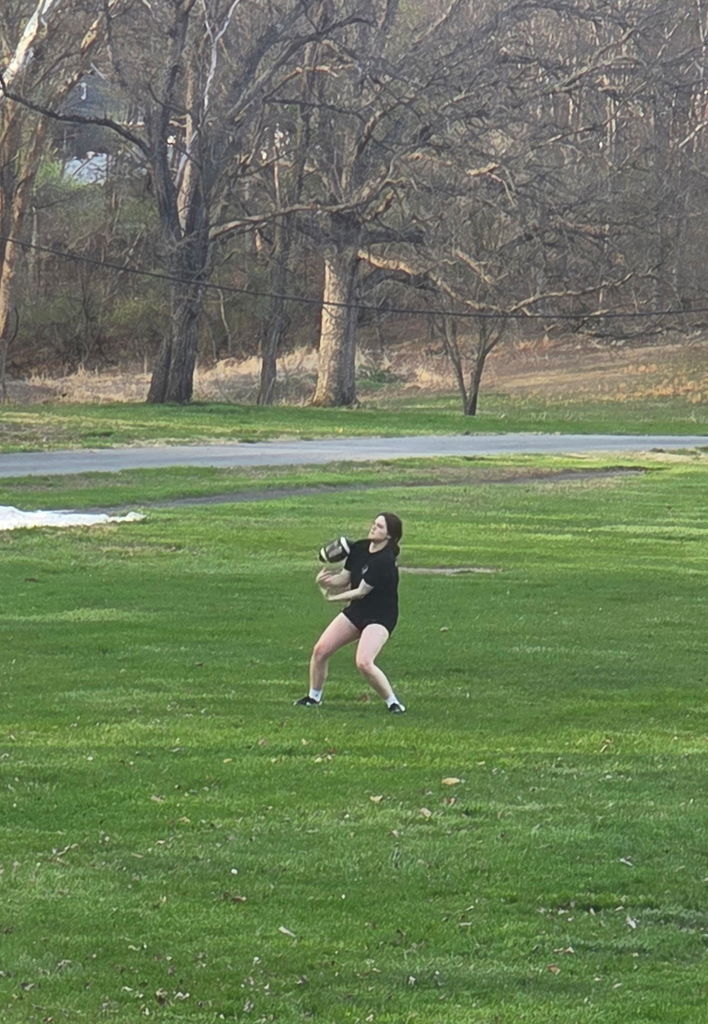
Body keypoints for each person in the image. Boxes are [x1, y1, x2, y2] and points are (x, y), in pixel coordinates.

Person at [294, 512, 406, 713]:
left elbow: (361, 591)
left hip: (380, 616)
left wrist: (332, 598)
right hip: (357, 611)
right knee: (320, 650)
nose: (373, 527)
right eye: (374, 523)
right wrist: (325, 581)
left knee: (364, 662)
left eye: (380, 526)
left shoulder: (384, 560)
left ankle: (394, 703)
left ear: (389, 536)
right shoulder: (360, 548)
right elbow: (344, 579)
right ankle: (313, 698)